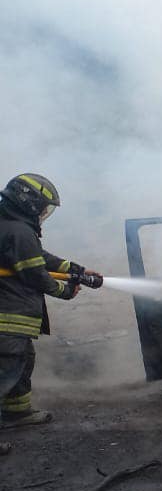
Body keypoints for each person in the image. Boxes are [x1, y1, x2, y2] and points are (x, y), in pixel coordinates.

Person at [0, 174, 97, 440]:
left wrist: (75, 270)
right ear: (29, 203)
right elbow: (36, 274)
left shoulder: (10, 225)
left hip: (11, 318)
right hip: (8, 318)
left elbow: (39, 258)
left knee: (22, 360)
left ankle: (16, 413)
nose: (45, 213)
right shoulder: (19, 232)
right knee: (6, 368)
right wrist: (65, 291)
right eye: (43, 207)